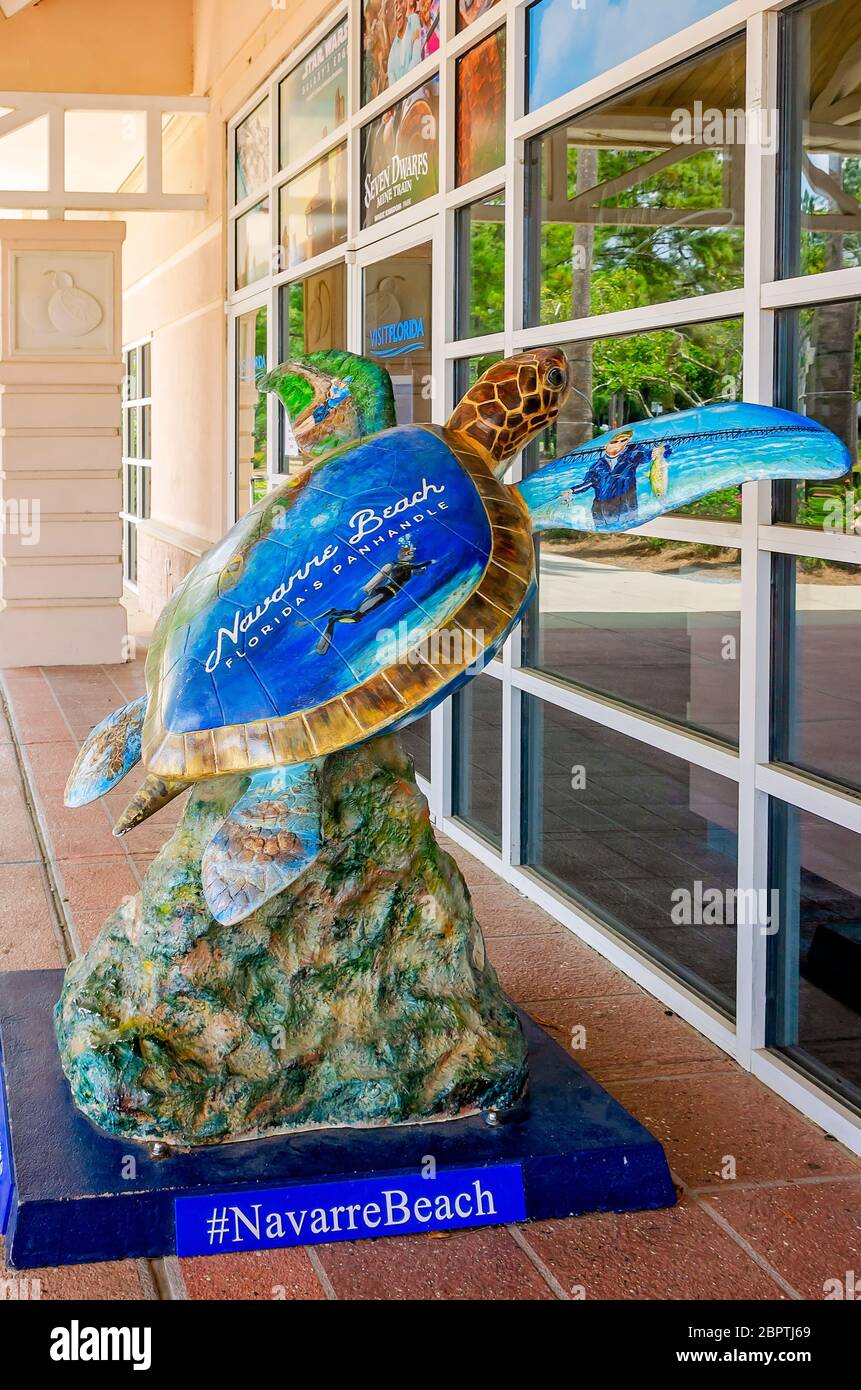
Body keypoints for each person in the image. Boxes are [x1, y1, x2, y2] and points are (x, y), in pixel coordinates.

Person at [308, 536, 434, 654]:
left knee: (356, 613)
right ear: (404, 555)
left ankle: (332, 612)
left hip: (384, 594)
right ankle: (331, 623)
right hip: (383, 593)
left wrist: (421, 572)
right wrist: (430, 562)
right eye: (410, 554)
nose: (412, 556)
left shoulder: (407, 568)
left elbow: (414, 573)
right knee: (356, 617)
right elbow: (418, 565)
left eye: (412, 554)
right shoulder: (400, 566)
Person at [559, 428, 672, 527]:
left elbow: (655, 453)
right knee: (604, 531)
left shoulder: (632, 454)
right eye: (614, 442)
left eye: (624, 441)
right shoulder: (597, 466)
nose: (619, 444)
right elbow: (588, 483)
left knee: (628, 526)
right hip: (602, 507)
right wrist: (571, 490)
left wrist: (662, 450)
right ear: (605, 445)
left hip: (626, 502)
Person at [387, 0, 422, 86]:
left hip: (416, 83)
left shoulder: (413, 19)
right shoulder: (393, 50)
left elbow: (416, 54)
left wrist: (406, 82)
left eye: (400, 2)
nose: (398, 9)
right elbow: (392, 82)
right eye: (395, 7)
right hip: (403, 96)